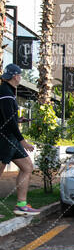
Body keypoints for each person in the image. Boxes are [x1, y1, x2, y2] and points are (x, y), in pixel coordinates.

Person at [0, 64, 39, 216]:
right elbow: (8, 121)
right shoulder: (5, 93)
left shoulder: (8, 92)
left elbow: (7, 117)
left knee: (27, 167)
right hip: (4, 139)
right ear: (15, 76)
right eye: (20, 75)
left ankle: (21, 205)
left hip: (10, 139)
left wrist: (19, 120)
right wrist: (23, 141)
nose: (20, 78)